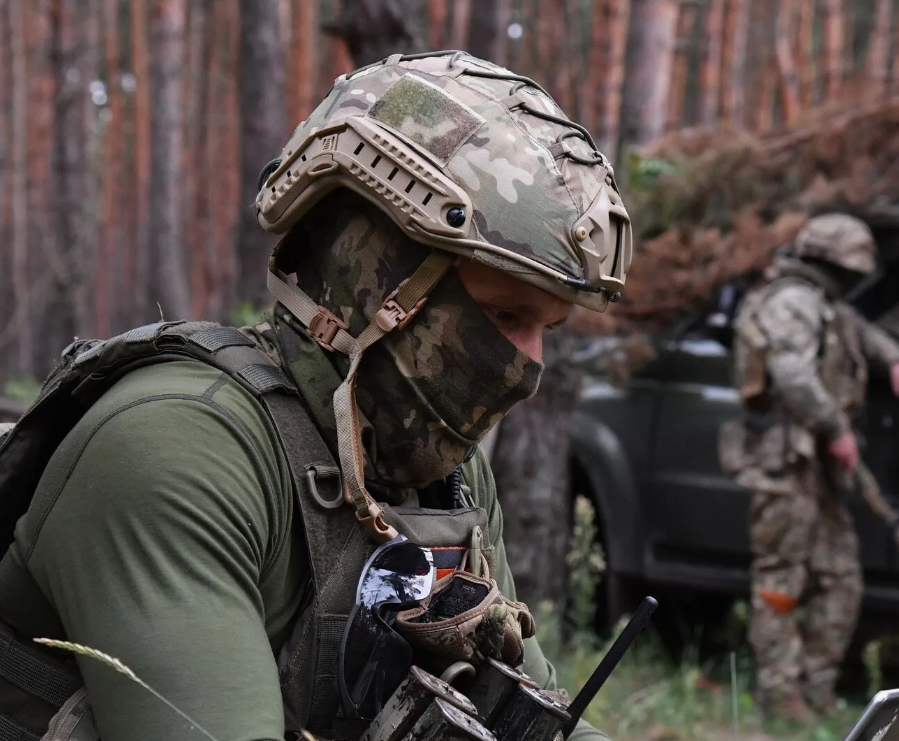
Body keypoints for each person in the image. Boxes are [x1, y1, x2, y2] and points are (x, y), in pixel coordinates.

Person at [0, 51, 630, 741]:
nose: (527, 365)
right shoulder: (177, 451)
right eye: (506, 315)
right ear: (375, 281)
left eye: (548, 328)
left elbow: (536, 715)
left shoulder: (444, 479)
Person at [719, 213, 899, 720]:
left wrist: (894, 359)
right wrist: (835, 428)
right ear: (829, 263)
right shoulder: (793, 301)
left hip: (819, 470)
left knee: (840, 578)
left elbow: (859, 332)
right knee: (780, 579)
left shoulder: (824, 304)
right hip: (787, 462)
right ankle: (779, 695)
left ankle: (817, 689)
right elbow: (790, 371)